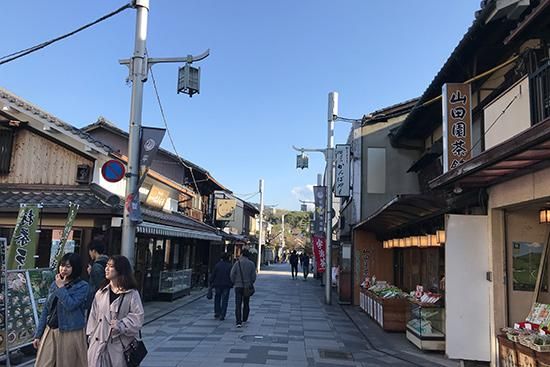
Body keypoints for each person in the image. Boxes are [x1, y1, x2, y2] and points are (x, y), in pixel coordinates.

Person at [87, 255, 144, 367]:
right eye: (107, 266)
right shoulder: (101, 292)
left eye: (111, 266)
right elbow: (92, 317)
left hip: (119, 347)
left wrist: (122, 324)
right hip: (98, 345)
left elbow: (138, 317)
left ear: (120, 270)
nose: (106, 269)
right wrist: (91, 337)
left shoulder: (131, 294)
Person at [33, 253, 89, 367]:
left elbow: (71, 305)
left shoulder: (82, 286)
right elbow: (46, 309)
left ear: (75, 268)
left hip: (70, 331)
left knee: (67, 363)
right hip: (51, 329)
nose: (64, 269)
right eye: (62, 265)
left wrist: (61, 288)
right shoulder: (55, 284)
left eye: (68, 266)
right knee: (44, 363)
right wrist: (38, 334)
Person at [230, 249, 256, 328]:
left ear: (242, 254)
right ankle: (244, 318)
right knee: (246, 302)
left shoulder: (237, 263)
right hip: (247, 286)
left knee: (238, 304)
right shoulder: (251, 264)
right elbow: (253, 276)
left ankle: (238, 321)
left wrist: (234, 282)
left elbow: (232, 274)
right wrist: (250, 282)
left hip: (238, 286)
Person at [209, 252, 233, 321]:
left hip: (217, 284)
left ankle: (217, 312)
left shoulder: (217, 265)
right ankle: (223, 314)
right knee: (225, 300)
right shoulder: (230, 266)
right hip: (226, 285)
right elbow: (232, 276)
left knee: (217, 298)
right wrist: (232, 283)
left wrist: (211, 282)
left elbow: (213, 275)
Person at [86, 240, 109, 311]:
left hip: (96, 300)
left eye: (89, 251)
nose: (89, 254)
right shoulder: (107, 262)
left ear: (94, 251)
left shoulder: (97, 266)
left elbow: (99, 285)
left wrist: (91, 273)